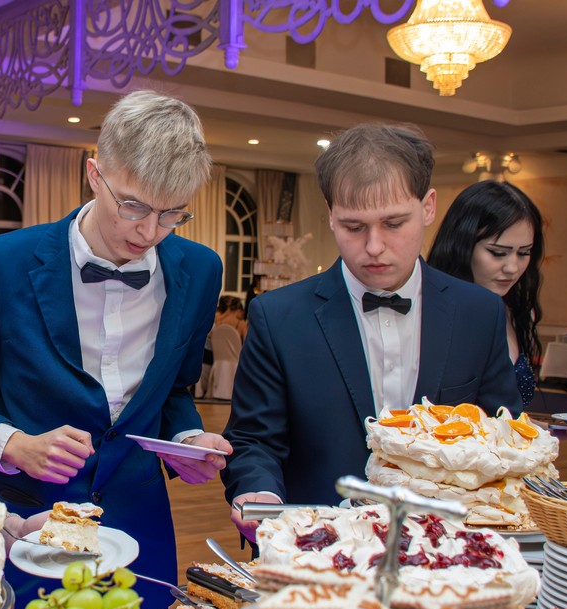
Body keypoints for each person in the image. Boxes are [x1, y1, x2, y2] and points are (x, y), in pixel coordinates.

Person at [0, 90, 231, 609]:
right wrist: (12, 444)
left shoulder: (201, 269)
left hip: (142, 525)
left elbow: (176, 388)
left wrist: (186, 438)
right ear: (95, 174)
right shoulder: (1, 263)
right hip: (31, 523)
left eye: (171, 215)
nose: (149, 232)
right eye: (133, 206)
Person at [221, 123, 523, 541]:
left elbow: (501, 437)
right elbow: (254, 440)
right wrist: (259, 490)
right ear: (331, 216)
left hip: (450, 547)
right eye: (353, 227)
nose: (374, 246)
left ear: (428, 207)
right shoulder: (278, 316)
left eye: (394, 223)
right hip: (315, 545)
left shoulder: (479, 312)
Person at [427, 181, 544, 408]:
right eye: (498, 253)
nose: (512, 267)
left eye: (524, 253)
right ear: (462, 245)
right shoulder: (431, 312)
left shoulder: (518, 312)